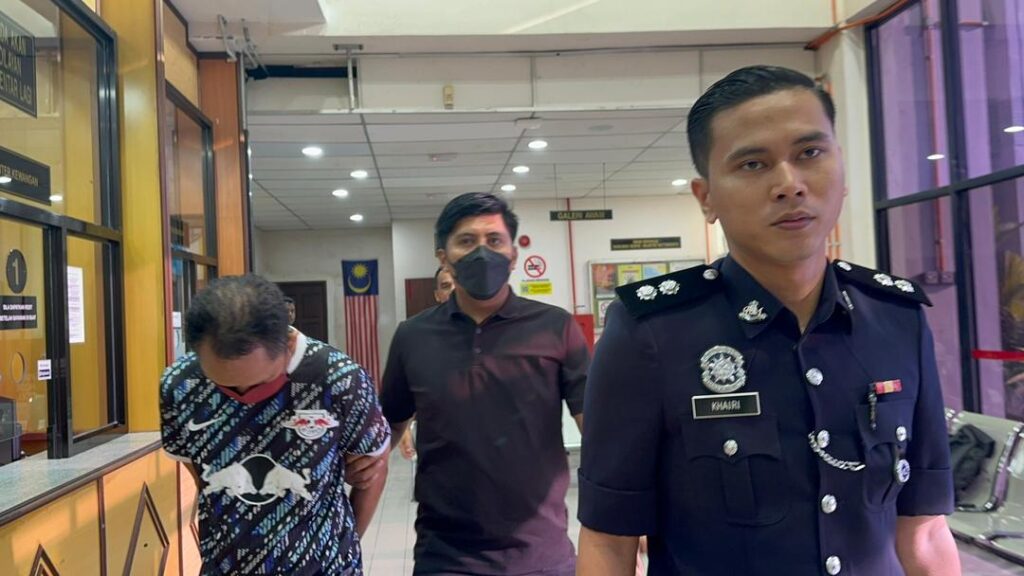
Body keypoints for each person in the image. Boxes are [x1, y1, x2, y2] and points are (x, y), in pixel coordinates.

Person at [576, 65, 960, 576]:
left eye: (810, 153)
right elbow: (609, 542)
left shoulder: (897, 319)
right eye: (753, 164)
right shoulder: (651, 332)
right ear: (706, 198)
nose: (789, 184)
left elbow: (924, 529)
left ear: (842, 168)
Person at [379, 192, 590, 575]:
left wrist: (625, 520)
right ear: (444, 257)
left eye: (494, 240)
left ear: (513, 254)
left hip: (541, 552)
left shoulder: (555, 327)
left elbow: (594, 426)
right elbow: (388, 427)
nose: (482, 252)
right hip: (445, 555)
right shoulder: (413, 336)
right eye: (466, 241)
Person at [159, 275, 390, 576]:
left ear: (288, 343)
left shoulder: (339, 378)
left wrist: (340, 546)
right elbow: (204, 477)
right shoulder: (180, 385)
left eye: (261, 384)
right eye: (224, 386)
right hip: (226, 565)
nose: (244, 398)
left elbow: (372, 472)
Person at [398, 267, 456, 460]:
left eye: (458, 283)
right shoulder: (417, 337)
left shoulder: (492, 334)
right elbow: (405, 393)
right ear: (437, 295)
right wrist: (404, 429)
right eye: (446, 286)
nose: (453, 290)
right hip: (437, 447)